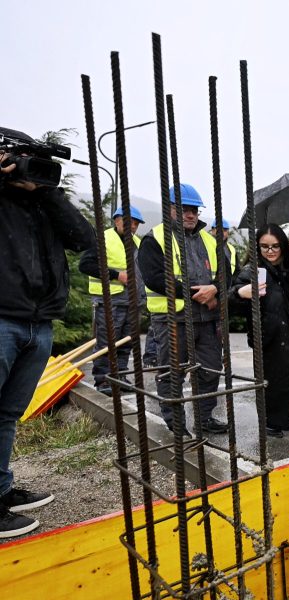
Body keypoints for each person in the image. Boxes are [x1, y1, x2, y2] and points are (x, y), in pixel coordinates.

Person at [1, 133, 94, 537]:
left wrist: (49, 192)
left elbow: (85, 240)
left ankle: (1, 492)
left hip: (38, 324)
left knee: (6, 415)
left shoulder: (43, 204)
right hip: (2, 319)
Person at [138, 184, 233, 436]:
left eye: (194, 210)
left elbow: (227, 275)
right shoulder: (154, 238)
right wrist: (198, 294)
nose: (190, 215)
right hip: (173, 319)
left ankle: (204, 419)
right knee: (172, 373)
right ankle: (176, 424)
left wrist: (215, 288)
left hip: (207, 320)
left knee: (211, 370)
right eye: (183, 210)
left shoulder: (210, 240)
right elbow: (154, 278)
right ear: (169, 209)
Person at [231, 224, 289, 437]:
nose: (270, 251)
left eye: (275, 246)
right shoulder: (252, 271)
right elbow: (231, 301)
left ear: (283, 245)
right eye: (264, 246)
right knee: (274, 377)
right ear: (257, 247)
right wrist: (241, 293)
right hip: (270, 332)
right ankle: (272, 421)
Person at [79, 205, 144, 396]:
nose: (132, 226)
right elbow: (86, 265)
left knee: (126, 342)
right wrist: (116, 275)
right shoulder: (102, 239)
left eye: (135, 223)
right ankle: (103, 380)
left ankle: (120, 376)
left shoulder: (137, 242)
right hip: (109, 301)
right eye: (128, 221)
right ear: (116, 220)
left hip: (132, 301)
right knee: (107, 342)